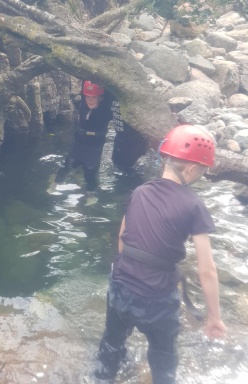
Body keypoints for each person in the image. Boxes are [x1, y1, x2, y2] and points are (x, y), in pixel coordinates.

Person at [95, 124, 226, 383]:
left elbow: (122, 241)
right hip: (156, 298)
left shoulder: (139, 191)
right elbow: (207, 270)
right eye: (202, 170)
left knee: (111, 342)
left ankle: (101, 377)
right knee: (163, 357)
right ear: (191, 169)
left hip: (120, 285)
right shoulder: (194, 205)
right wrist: (214, 317)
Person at [47, 81, 114, 205]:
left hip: (95, 146)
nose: (90, 100)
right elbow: (84, 82)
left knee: (90, 171)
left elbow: (110, 94)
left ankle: (90, 194)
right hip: (79, 142)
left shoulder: (105, 110)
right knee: (67, 164)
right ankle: (56, 182)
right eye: (88, 96)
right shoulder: (84, 103)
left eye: (94, 97)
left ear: (101, 98)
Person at [111, 100, 147, 171]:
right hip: (120, 136)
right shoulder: (114, 97)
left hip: (132, 140)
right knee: (116, 163)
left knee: (127, 166)